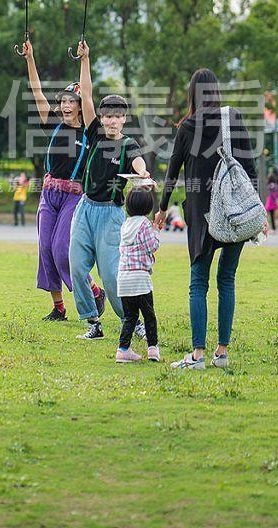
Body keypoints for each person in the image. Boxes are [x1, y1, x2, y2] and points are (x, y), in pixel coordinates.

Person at [155, 68, 259, 370]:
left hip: (202, 216)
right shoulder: (233, 119)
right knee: (227, 279)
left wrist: (161, 209)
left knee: (198, 283)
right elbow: (250, 168)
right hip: (236, 214)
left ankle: (197, 355)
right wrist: (258, 209)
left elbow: (172, 172)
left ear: (193, 93)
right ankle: (222, 354)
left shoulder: (187, 126)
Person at [23, 38, 105, 322]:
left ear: (81, 106)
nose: (68, 105)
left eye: (73, 101)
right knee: (45, 248)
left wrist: (84, 60)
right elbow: (36, 91)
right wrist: (30, 59)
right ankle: (59, 307)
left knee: (61, 249)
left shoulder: (90, 131)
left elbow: (90, 94)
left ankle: (94, 290)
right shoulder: (54, 124)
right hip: (49, 194)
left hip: (73, 197)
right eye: (64, 101)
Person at [70, 90, 149, 340]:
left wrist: (143, 173)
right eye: (107, 116)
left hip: (110, 214)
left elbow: (138, 162)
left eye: (117, 117)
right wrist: (85, 59)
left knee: (112, 276)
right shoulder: (94, 134)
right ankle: (92, 322)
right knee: (76, 268)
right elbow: (87, 95)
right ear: (101, 118)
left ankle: (131, 319)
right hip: (84, 209)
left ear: (124, 119)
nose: (112, 121)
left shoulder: (128, 145)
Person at [115, 187, 161, 363]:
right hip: (140, 279)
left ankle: (123, 350)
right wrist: (155, 229)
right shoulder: (144, 224)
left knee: (130, 317)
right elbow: (152, 246)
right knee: (149, 315)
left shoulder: (126, 224)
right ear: (147, 205)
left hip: (124, 280)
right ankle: (153, 349)